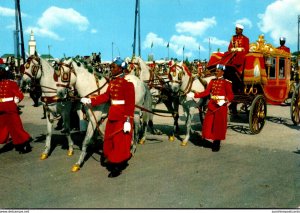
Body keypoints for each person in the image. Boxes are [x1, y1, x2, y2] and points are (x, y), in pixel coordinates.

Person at [80, 57, 135, 178]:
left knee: (120, 141)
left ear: (121, 68)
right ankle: (112, 157)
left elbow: (130, 105)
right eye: (111, 67)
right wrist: (90, 100)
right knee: (109, 139)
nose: (111, 69)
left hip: (122, 116)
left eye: (113, 67)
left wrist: (127, 121)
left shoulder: (128, 84)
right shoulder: (112, 82)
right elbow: (105, 97)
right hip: (113, 114)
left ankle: (117, 166)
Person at [187, 64, 234, 152]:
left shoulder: (226, 82)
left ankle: (216, 143)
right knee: (208, 123)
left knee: (218, 126)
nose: (216, 72)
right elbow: (206, 93)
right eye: (216, 70)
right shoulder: (212, 81)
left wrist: (224, 101)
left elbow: (231, 95)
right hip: (212, 105)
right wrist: (194, 95)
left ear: (222, 72)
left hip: (221, 106)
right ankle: (208, 138)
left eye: (218, 71)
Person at [0, 63, 32, 154]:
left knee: (16, 128)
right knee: (1, 128)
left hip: (10, 108)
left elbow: (19, 94)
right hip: (1, 109)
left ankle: (24, 144)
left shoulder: (11, 83)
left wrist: (16, 100)